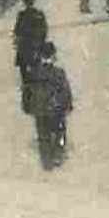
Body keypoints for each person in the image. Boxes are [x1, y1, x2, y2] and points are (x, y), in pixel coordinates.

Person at [24, 41, 73, 170]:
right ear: (53, 56)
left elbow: (27, 91)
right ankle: (58, 153)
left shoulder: (33, 73)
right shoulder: (58, 73)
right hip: (55, 109)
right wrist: (67, 105)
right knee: (60, 131)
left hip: (39, 110)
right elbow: (65, 90)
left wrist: (27, 106)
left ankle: (46, 160)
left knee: (43, 135)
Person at [13, 0, 49, 98]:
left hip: (25, 45)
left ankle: (26, 84)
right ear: (33, 2)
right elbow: (44, 30)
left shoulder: (22, 14)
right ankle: (34, 83)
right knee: (35, 63)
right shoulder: (39, 14)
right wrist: (41, 42)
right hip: (35, 44)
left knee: (23, 65)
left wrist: (16, 41)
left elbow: (17, 30)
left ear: (25, 3)